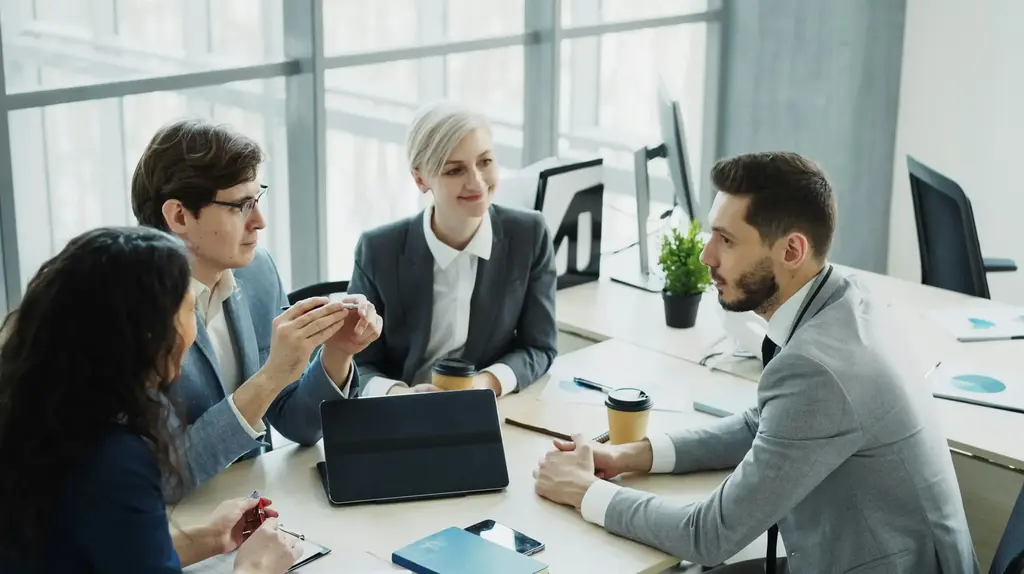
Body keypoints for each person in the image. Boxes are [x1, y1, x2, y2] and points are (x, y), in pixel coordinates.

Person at [533, 152, 980, 573]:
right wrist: (626, 455)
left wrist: (584, 491)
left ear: (791, 251)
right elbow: (760, 425)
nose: (707, 255)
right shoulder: (843, 297)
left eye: (726, 241)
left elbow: (708, 535)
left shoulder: (819, 369)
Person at [0, 226, 301, 573]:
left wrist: (208, 538)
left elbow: (100, 549)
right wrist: (256, 568)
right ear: (149, 332)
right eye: (190, 309)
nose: (194, 330)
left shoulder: (44, 418)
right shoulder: (116, 459)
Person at [131, 119, 382, 490]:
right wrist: (272, 376)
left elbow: (297, 424)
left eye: (257, 200)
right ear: (180, 216)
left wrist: (337, 354)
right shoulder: (129, 311)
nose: (260, 222)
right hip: (176, 523)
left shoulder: (257, 272)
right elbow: (168, 475)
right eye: (240, 206)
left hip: (254, 502)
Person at [346, 101, 557, 398]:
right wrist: (397, 394)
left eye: (485, 162)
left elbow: (540, 346)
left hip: (485, 408)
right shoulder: (378, 249)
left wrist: (486, 384)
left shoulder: (530, 234)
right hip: (400, 413)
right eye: (455, 170)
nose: (477, 182)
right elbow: (356, 360)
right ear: (421, 179)